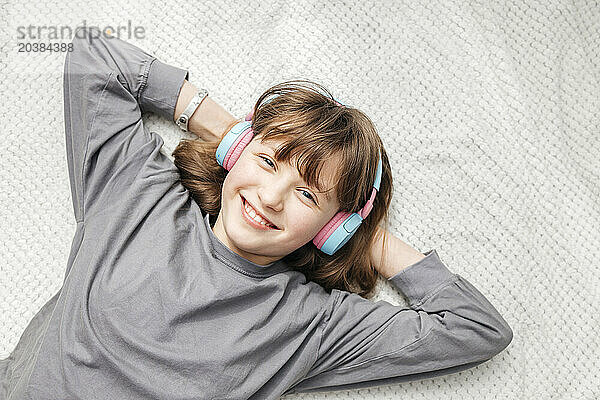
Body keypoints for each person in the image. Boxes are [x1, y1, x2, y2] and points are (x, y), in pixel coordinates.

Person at [0, 26, 513, 400]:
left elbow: (476, 328)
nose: (270, 197)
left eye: (308, 195)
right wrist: (228, 135)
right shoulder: (138, 195)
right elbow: (94, 55)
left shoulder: (310, 323)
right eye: (268, 161)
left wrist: (365, 235)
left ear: (330, 228)